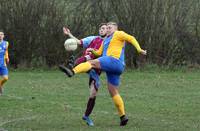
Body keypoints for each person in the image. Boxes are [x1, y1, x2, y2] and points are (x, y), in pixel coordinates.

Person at [59, 22, 147, 126]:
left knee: (91, 63)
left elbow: (131, 38)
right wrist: (93, 51)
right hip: (113, 68)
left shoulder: (118, 34)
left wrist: (139, 49)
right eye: (107, 28)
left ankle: (72, 72)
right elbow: (99, 52)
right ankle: (123, 117)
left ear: (115, 28)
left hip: (114, 61)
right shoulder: (105, 40)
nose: (108, 29)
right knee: (113, 91)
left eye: (110, 28)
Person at [60, 23, 107, 126]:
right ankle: (72, 67)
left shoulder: (108, 42)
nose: (102, 30)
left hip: (96, 69)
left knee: (93, 93)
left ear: (108, 30)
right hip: (85, 62)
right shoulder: (93, 39)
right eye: (100, 28)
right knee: (87, 57)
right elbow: (78, 42)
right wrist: (69, 34)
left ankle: (86, 116)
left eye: (104, 28)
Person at [0, 30, 9, 96]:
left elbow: (6, 51)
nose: (0, 36)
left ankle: (0, 85)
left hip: (3, 64)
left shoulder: (6, 43)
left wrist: (7, 57)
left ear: (3, 36)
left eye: (1, 34)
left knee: (6, 78)